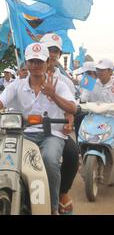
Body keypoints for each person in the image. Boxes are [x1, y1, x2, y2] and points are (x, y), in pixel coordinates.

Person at [0, 42, 77, 215]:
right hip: (21, 133)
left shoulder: (59, 84)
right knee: (1, 161)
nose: (35, 65)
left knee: (49, 160)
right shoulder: (16, 85)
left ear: (47, 62)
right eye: (32, 61)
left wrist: (53, 95)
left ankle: (53, 207)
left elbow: (72, 108)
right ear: (26, 62)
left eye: (39, 61)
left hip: (52, 134)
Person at [40, 33, 79, 215]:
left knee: (72, 153)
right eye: (49, 50)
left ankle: (62, 192)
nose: (53, 54)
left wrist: (69, 123)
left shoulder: (64, 82)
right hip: (28, 129)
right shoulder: (26, 74)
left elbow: (71, 108)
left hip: (55, 130)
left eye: (56, 51)